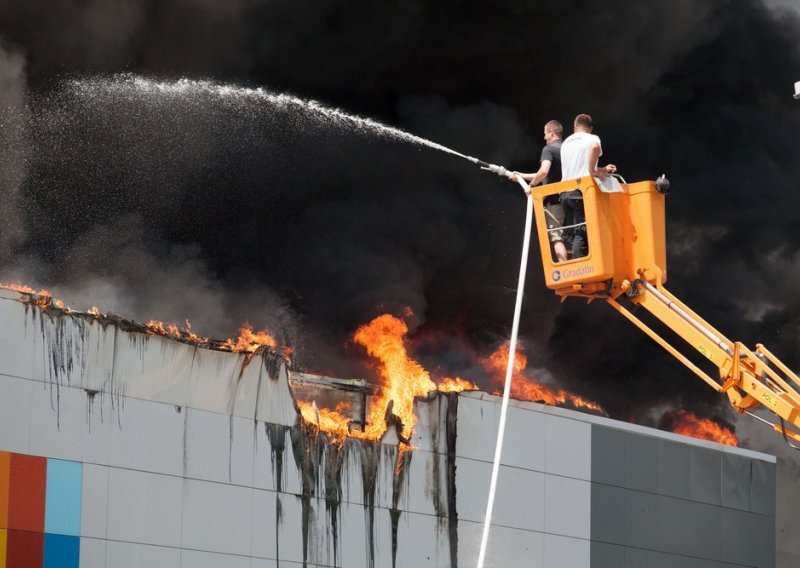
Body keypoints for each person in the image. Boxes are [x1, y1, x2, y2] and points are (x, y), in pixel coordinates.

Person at [559, 114, 617, 259]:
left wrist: (602, 169)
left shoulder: (566, 142)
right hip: (580, 192)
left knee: (573, 233)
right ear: (590, 128)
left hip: (565, 193)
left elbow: (577, 167)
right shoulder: (592, 139)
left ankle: (575, 268)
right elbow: (594, 147)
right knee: (582, 234)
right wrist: (592, 172)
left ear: (575, 126)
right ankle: (582, 272)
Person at [511, 120, 567, 262]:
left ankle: (566, 269)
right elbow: (544, 174)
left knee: (556, 236)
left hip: (555, 202)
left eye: (545, 134)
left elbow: (543, 172)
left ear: (552, 133)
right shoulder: (568, 149)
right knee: (574, 234)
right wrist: (521, 176)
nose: (544, 137)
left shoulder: (548, 149)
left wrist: (532, 186)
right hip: (571, 199)